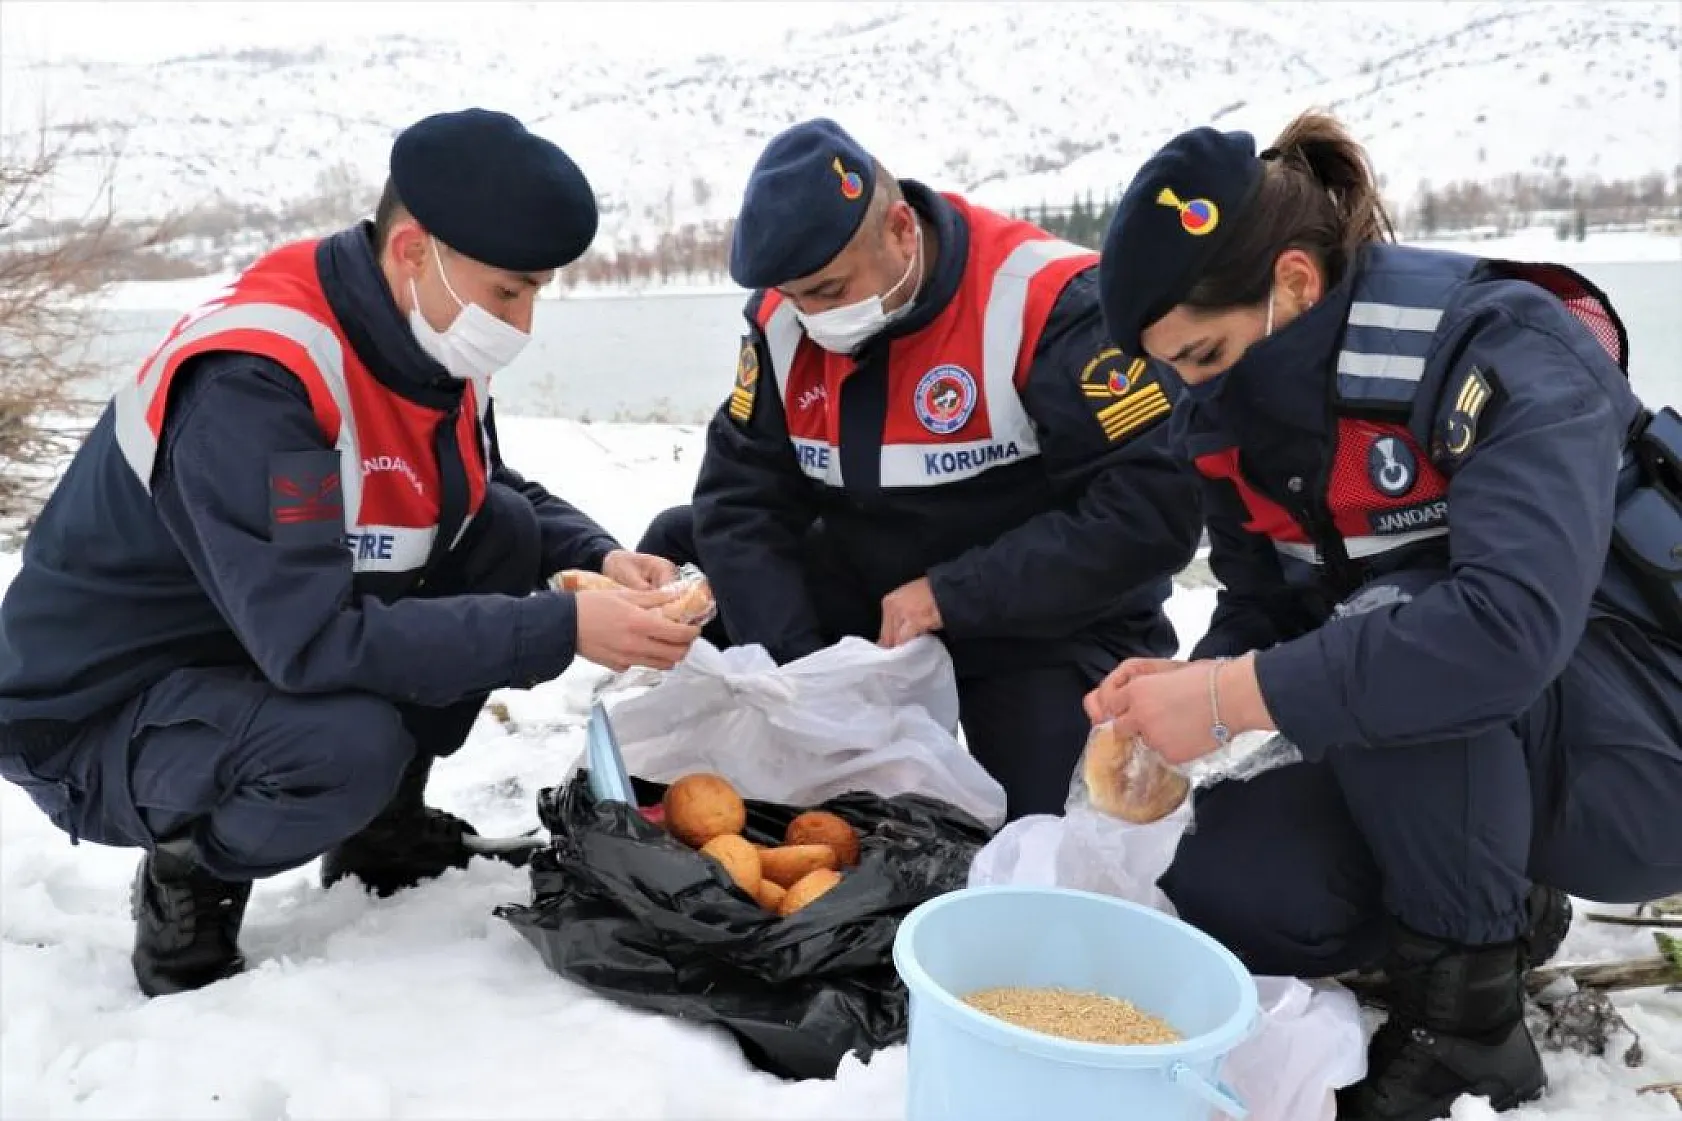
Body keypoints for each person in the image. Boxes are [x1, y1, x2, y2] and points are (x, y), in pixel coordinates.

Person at [0, 108, 701, 999]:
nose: (524, 323)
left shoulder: (424, 328)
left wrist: (594, 558)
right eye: (512, 293)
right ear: (414, 251)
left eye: (537, 293)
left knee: (507, 539)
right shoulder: (257, 386)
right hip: (101, 709)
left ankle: (381, 831)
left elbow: (482, 486)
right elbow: (311, 643)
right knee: (344, 743)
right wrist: (560, 628)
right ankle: (189, 880)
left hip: (244, 638)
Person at [1084, 111, 1682, 1120]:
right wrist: (1185, 695)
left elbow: (1499, 631)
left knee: (1396, 623)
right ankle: (1490, 897)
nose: (1183, 388)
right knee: (1238, 887)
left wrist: (1235, 693)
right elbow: (1262, 602)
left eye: (1199, 352)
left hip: (1639, 744)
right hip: (1469, 736)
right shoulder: (1235, 418)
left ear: (1293, 284)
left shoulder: (1497, 344)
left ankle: (1467, 1028)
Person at [637, 118, 1203, 821]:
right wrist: (804, 670)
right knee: (683, 549)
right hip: (874, 605)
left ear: (902, 228)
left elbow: (1153, 511)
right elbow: (740, 501)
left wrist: (952, 593)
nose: (812, 316)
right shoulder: (786, 318)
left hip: (1037, 616)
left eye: (831, 288)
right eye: (797, 294)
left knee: (1046, 825)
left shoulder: (1048, 302)